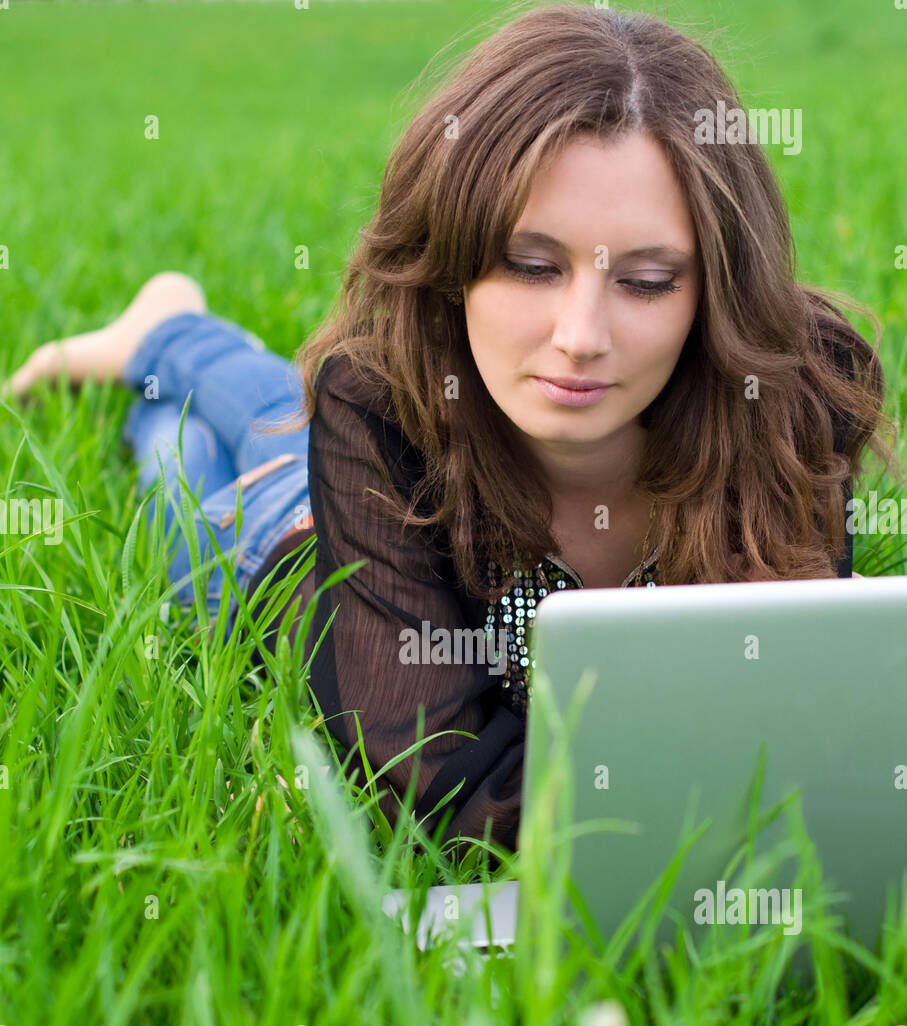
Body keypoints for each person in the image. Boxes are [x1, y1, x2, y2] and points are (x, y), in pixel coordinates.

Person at [4, 4, 889, 862]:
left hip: (351, 492)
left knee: (274, 413)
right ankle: (166, 331)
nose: (580, 337)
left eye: (648, 281)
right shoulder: (379, 396)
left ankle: (172, 330)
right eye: (530, 266)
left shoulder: (790, 398)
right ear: (450, 257)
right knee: (175, 456)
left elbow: (790, 714)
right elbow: (434, 780)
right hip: (277, 550)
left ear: (714, 290)